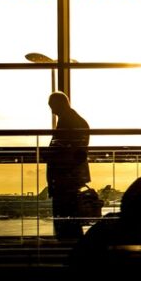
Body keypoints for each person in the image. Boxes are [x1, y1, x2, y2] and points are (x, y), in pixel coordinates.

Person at [46, 91, 91, 240]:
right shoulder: (76, 121)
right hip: (69, 178)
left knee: (65, 220)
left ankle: (69, 250)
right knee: (70, 221)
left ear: (61, 104)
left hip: (65, 179)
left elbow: (73, 152)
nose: (52, 111)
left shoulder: (69, 122)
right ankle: (72, 250)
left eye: (53, 106)